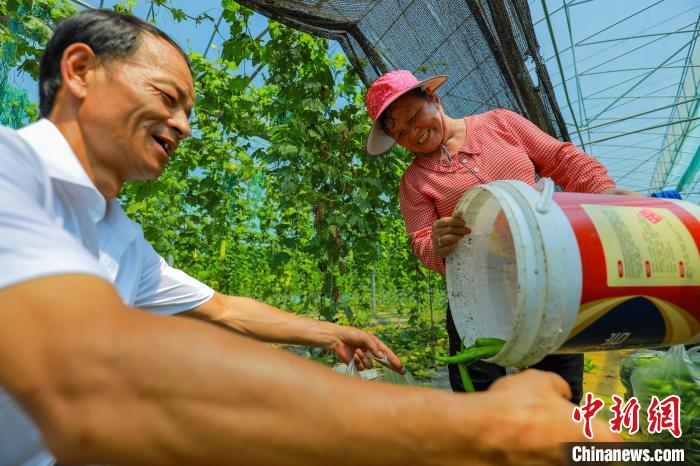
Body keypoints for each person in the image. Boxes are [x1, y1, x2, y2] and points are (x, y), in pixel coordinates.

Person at [0, 11, 619, 466]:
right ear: (79, 70)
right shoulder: (10, 174)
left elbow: (221, 308)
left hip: (555, 287)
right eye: (168, 98)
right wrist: (475, 429)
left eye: (187, 109)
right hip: (485, 306)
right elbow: (84, 376)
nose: (183, 126)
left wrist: (333, 332)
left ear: (435, 99)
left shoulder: (116, 234)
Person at [364, 70, 638, 402]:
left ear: (433, 99)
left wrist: (602, 192)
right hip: (476, 299)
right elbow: (422, 241)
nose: (413, 133)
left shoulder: (500, 123)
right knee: (480, 398)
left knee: (561, 392)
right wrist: (437, 244)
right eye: (400, 131)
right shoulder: (414, 182)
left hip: (548, 280)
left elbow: (561, 159)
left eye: (412, 116)